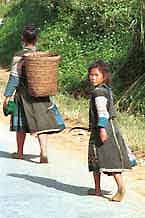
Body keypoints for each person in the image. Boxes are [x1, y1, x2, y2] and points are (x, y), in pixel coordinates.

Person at [3, 24, 65, 163]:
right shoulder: (43, 56)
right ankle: (44, 151)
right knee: (42, 124)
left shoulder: (19, 57)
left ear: (22, 38)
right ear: (36, 39)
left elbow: (14, 78)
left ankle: (19, 153)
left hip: (23, 94)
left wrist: (7, 96)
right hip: (41, 94)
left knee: (21, 126)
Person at [87, 60, 131, 202]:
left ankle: (120, 188)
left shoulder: (99, 92)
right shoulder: (106, 89)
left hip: (104, 129)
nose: (92, 77)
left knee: (110, 160)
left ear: (104, 76)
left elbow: (102, 113)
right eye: (91, 75)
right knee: (95, 159)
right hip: (109, 127)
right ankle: (97, 189)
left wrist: (101, 130)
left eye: (96, 75)